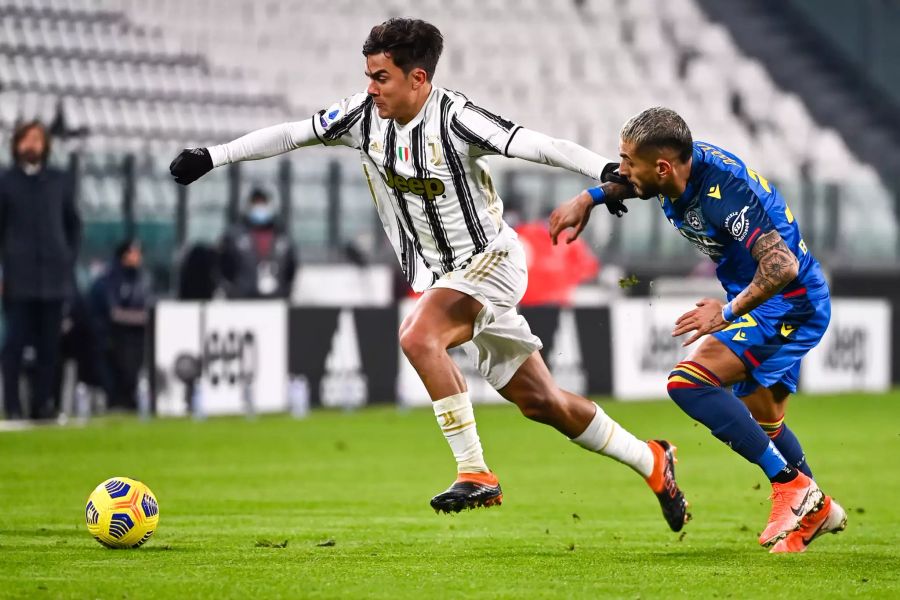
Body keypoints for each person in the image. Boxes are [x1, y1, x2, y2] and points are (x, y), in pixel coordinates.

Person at [170, 18, 688, 531]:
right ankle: (653, 461)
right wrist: (212, 156)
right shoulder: (361, 117)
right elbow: (291, 134)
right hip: (446, 275)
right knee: (542, 402)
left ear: (418, 79)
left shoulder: (456, 118)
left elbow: (537, 144)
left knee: (418, 336)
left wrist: (603, 173)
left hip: (491, 263)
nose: (370, 88)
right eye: (369, 76)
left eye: (382, 77)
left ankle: (475, 471)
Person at [549, 107, 846, 552]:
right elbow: (633, 184)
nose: (622, 170)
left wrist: (727, 312)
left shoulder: (723, 194)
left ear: (663, 167)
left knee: (689, 381)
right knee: (765, 420)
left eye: (629, 160)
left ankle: (792, 487)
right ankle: (817, 508)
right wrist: (588, 198)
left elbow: (781, 265)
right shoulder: (673, 173)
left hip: (788, 303)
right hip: (769, 301)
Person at [0, 120, 81, 420]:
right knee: (14, 346)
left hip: (53, 280)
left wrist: (66, 258)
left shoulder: (59, 180)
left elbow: (73, 225)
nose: (32, 145)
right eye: (26, 139)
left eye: (37, 139)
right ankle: (12, 406)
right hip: (18, 280)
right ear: (17, 144)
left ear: (45, 145)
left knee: (50, 348)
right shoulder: (6, 182)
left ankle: (43, 404)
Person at [89, 239, 152, 410]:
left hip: (132, 338)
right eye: (134, 253)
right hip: (108, 340)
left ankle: (129, 398)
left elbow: (145, 305)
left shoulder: (141, 279)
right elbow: (114, 313)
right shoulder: (110, 279)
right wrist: (145, 317)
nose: (139, 257)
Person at [220, 188, 297, 299]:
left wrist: (286, 291)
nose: (259, 207)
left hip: (276, 300)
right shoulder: (234, 236)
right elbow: (225, 265)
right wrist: (232, 290)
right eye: (256, 203)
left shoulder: (282, 236)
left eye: (262, 203)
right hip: (243, 300)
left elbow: (291, 268)